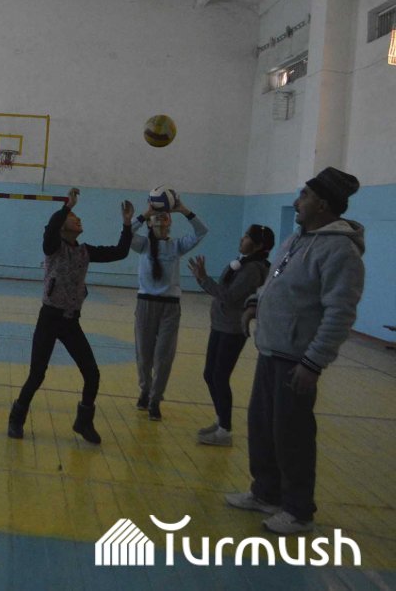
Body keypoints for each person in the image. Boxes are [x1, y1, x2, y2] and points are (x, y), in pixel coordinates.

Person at [226, 167, 364, 535]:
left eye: (304, 195)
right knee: (262, 427)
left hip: (296, 359)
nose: (296, 201)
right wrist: (255, 303)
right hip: (271, 350)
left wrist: (313, 362)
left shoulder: (340, 250)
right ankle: (266, 492)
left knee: (293, 435)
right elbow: (275, 283)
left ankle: (299, 510)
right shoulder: (296, 240)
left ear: (322, 204)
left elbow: (340, 312)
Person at [8, 188, 135, 443]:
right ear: (62, 227)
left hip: (70, 322)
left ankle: (83, 421)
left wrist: (127, 224)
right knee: (37, 374)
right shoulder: (53, 248)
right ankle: (16, 418)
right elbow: (50, 229)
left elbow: (120, 252)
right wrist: (67, 207)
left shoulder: (85, 251)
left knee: (92, 373)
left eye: (77, 216)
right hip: (49, 318)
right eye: (72, 217)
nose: (78, 219)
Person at [187, 224, 275, 446]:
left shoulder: (253, 269)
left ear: (258, 245)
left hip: (232, 329)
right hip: (220, 325)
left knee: (219, 376)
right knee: (210, 374)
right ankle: (221, 420)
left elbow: (229, 296)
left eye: (247, 237)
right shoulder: (242, 263)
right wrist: (203, 279)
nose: (242, 239)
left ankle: (224, 431)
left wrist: (203, 279)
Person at [130, 195, 208, 420]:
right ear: (149, 222)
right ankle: (145, 390)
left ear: (170, 221)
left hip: (170, 306)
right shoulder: (143, 245)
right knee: (144, 354)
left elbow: (201, 231)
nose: (160, 217)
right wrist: (145, 213)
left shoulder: (176, 246)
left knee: (164, 356)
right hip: (146, 303)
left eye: (164, 215)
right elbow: (126, 234)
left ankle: (156, 399)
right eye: (155, 216)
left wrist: (183, 210)